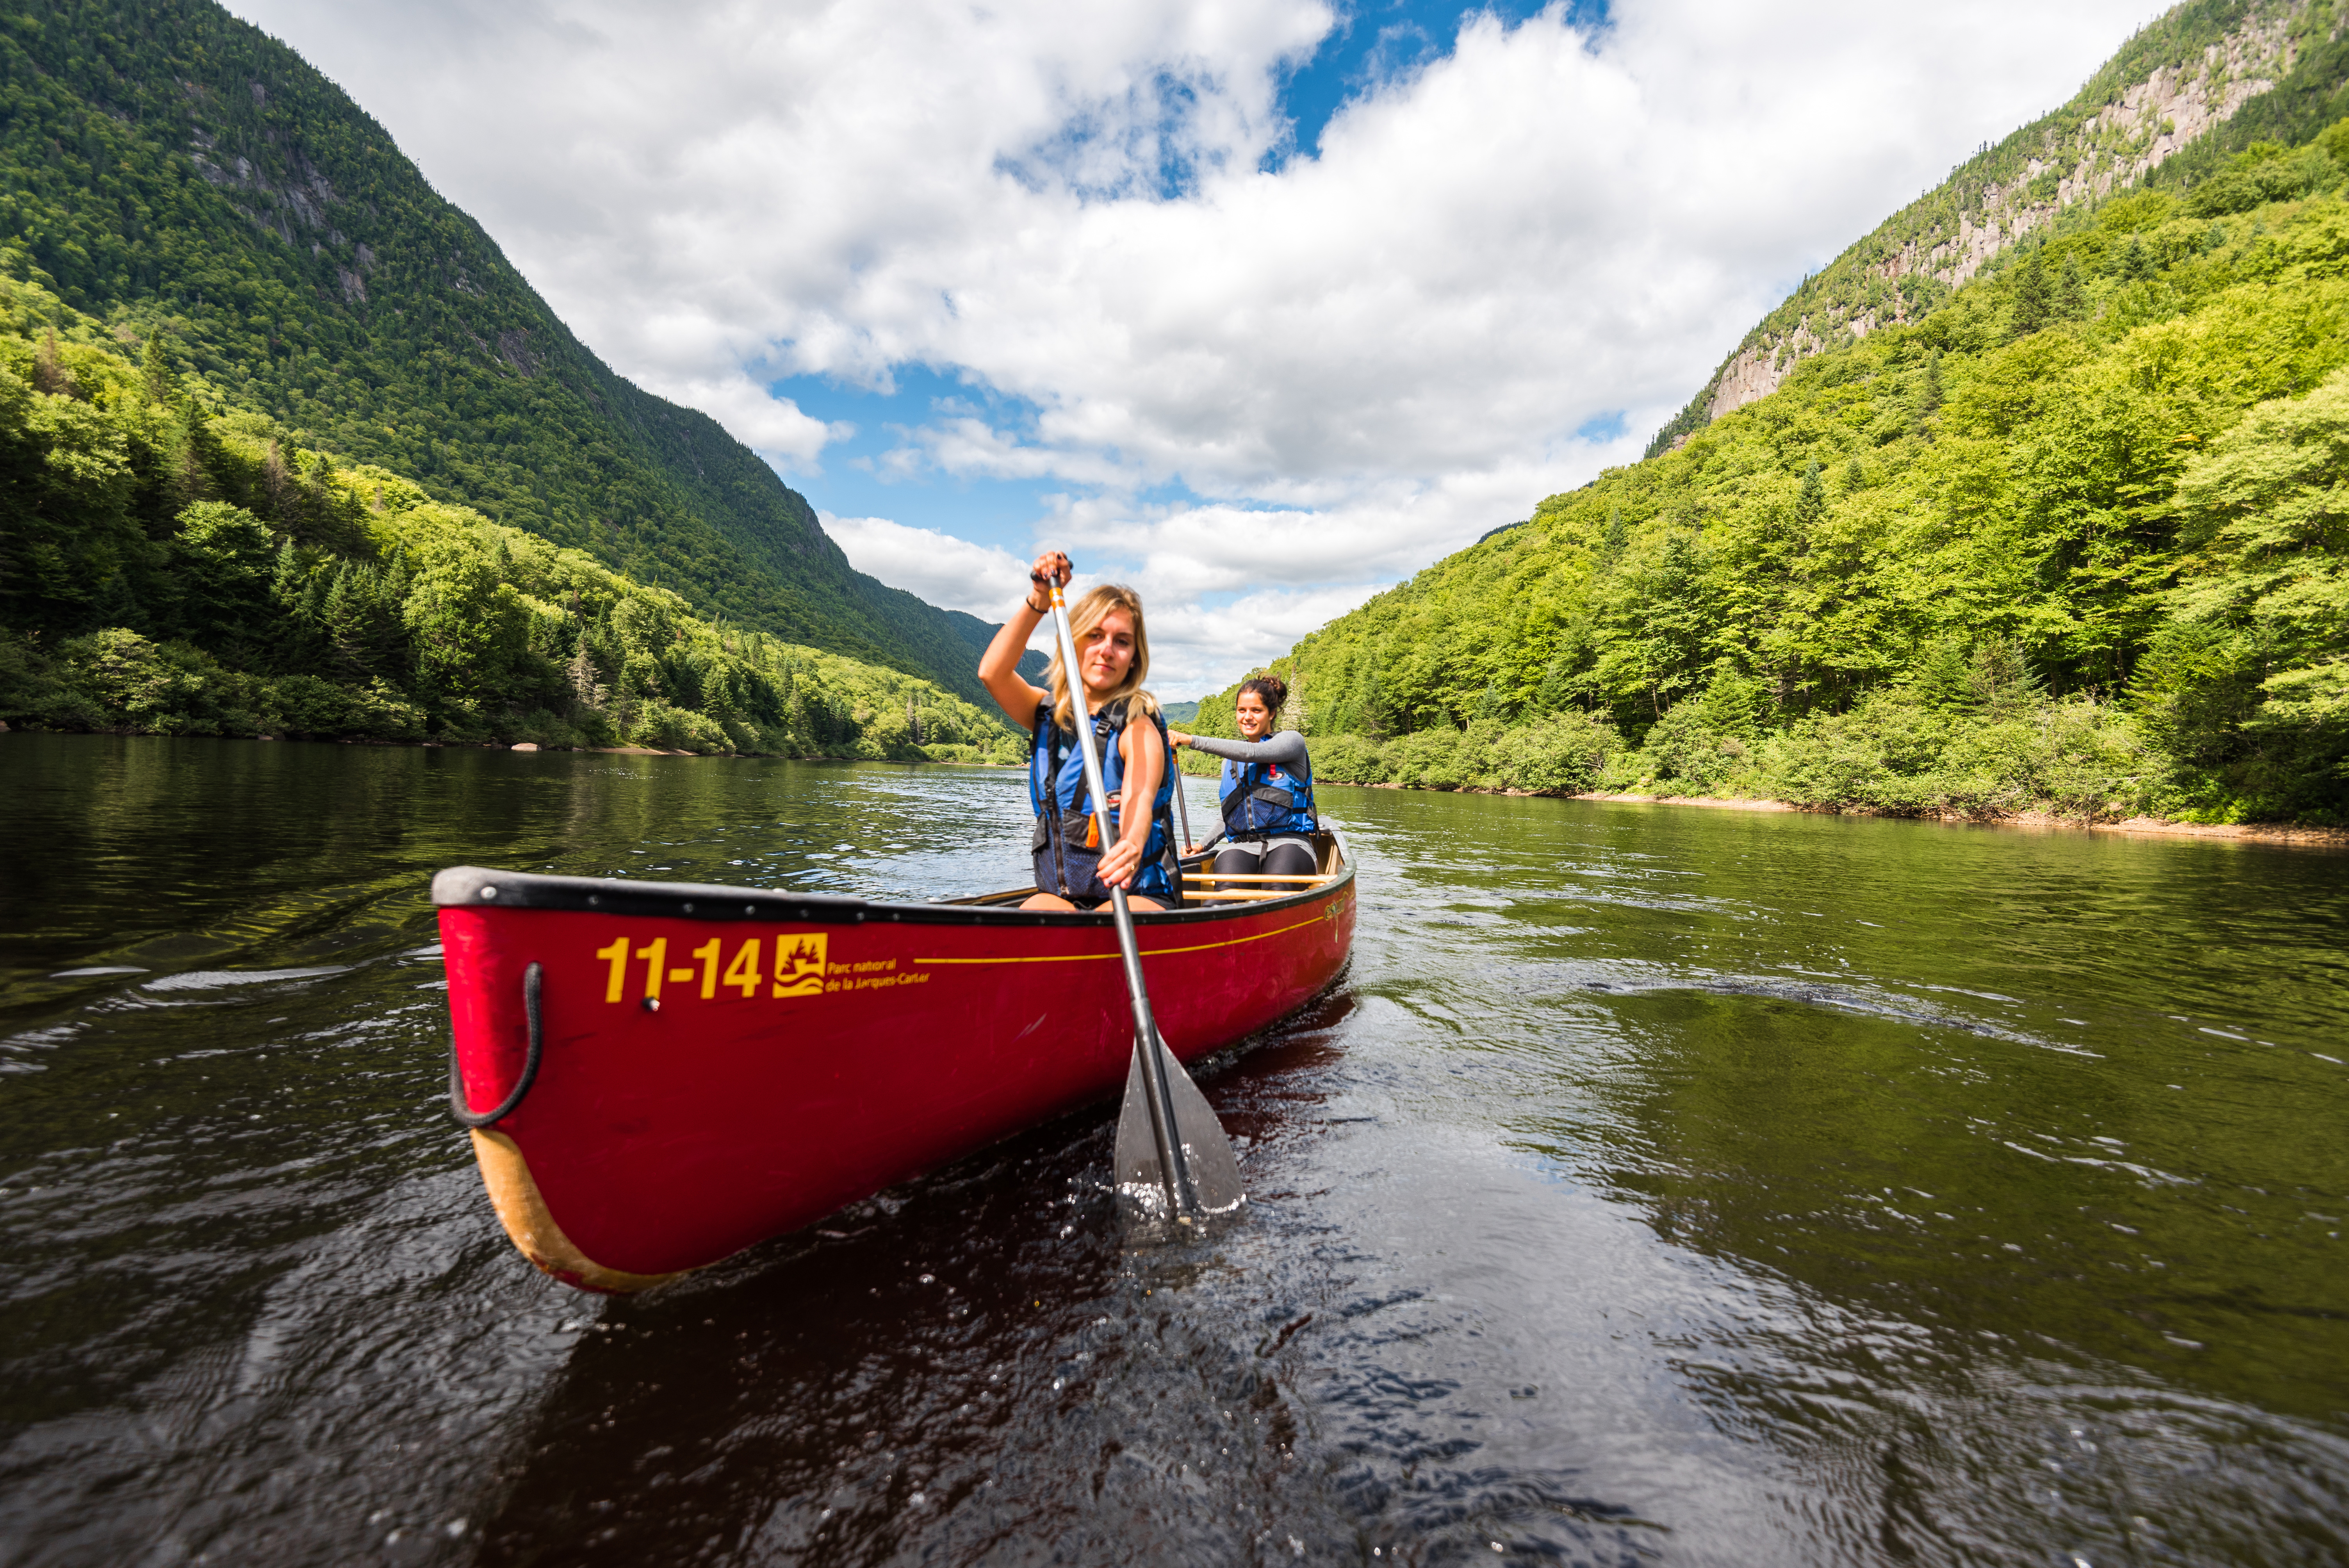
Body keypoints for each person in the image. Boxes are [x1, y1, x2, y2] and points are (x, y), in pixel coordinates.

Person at [977, 551, 1178, 912]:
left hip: (1136, 896)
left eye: (1122, 641)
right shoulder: (1047, 714)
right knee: (1039, 910)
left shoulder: (1138, 724)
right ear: (1075, 642)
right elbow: (992, 673)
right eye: (1095, 635)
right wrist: (1038, 600)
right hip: (1063, 895)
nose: (1107, 650)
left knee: (1108, 921)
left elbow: (1138, 798)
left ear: (1134, 656)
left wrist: (1131, 843)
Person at [1168, 675, 1319, 884]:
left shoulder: (1292, 742)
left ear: (1272, 713)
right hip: (1241, 846)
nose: (1248, 717)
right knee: (1224, 891)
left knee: (1277, 885)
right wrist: (1202, 845)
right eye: (1242, 710)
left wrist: (1191, 740)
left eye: (1256, 711)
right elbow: (1231, 814)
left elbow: (1252, 752)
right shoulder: (1230, 762)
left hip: (1290, 842)